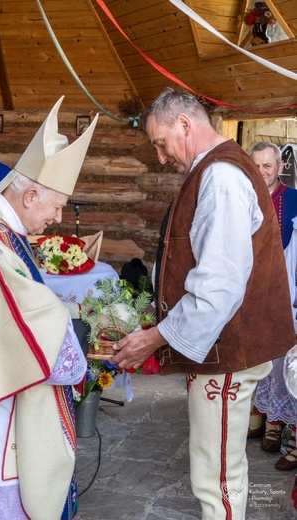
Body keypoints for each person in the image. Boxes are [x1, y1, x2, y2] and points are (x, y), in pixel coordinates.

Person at [110, 88, 296, 520]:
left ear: (185, 124)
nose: (161, 157)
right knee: (214, 471)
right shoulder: (213, 171)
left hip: (229, 351)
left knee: (218, 478)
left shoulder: (222, 177)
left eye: (160, 143)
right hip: (220, 349)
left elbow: (219, 284)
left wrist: (156, 338)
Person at [0, 97, 98, 520]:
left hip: (1, 386)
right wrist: (67, 328)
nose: (57, 218)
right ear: (30, 195)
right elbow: (27, 322)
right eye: (55, 207)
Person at [249, 142, 297, 470]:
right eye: (256, 166)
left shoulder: (294, 200)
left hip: (285, 287)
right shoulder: (241, 196)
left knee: (282, 360)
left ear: (280, 167)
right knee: (253, 355)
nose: (262, 172)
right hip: (249, 289)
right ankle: (258, 419)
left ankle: (280, 427)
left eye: (268, 166)